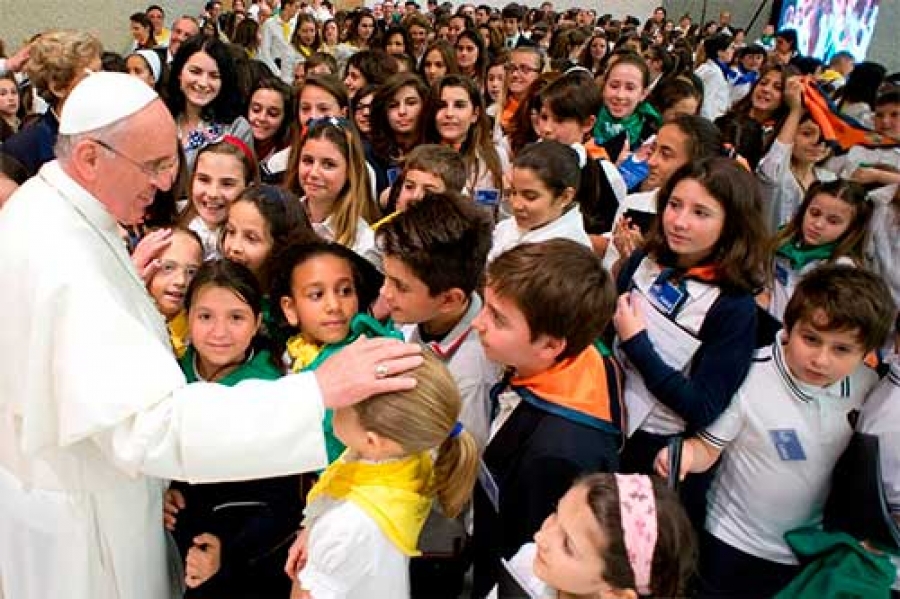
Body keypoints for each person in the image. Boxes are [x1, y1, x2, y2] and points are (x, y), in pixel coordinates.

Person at [0, 71, 423, 599]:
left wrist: (125, 281)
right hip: (85, 524)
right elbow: (154, 428)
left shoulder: (47, 208)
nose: (162, 184)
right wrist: (317, 391)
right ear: (89, 157)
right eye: (153, 166)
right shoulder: (64, 261)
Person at [656, 265, 894, 598]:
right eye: (811, 339)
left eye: (841, 349)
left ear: (866, 352)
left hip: (804, 550)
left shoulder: (865, 387)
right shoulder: (750, 376)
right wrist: (683, 457)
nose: (821, 360)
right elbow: (707, 449)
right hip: (729, 542)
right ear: (788, 326)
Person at [470, 239, 623, 598]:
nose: (478, 322)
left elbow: (533, 557)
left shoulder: (556, 454)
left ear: (551, 345)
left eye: (498, 318)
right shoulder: (579, 356)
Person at [286, 353, 480, 598]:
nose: (333, 402)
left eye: (344, 399)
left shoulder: (345, 524)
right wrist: (313, 531)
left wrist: (320, 547)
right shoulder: (411, 457)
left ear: (372, 441)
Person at [165, 259, 301, 597]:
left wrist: (229, 550)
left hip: (247, 558)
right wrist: (160, 493)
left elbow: (284, 503)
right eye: (205, 316)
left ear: (256, 322)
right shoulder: (168, 376)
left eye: (236, 318)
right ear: (188, 319)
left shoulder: (275, 389)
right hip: (178, 543)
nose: (220, 332)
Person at [377, 192, 497, 446]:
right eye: (385, 277)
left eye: (400, 286)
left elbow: (459, 464)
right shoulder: (420, 312)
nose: (384, 293)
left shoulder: (469, 377)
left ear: (449, 300)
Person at [490, 473, 697, 598]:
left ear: (616, 595)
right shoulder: (529, 562)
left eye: (568, 546)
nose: (540, 537)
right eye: (555, 513)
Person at [273, 240, 387, 462]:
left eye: (345, 291)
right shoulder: (291, 352)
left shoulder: (371, 354)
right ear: (290, 308)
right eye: (316, 295)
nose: (334, 305)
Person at [765, 180, 871, 322]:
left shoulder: (842, 268)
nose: (818, 224)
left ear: (851, 229)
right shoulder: (784, 241)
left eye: (833, 221)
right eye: (814, 213)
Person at [488, 140, 591, 262]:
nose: (516, 205)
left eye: (530, 196)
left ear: (565, 197)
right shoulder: (507, 227)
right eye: (513, 192)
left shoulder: (570, 255)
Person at [756, 76, 834, 231]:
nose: (817, 142)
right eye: (806, 134)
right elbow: (775, 164)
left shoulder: (829, 180)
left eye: (824, 136)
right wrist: (796, 111)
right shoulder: (776, 173)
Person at [145, 226, 204, 357]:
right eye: (168, 267)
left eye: (191, 272)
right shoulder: (131, 316)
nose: (181, 281)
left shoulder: (200, 331)